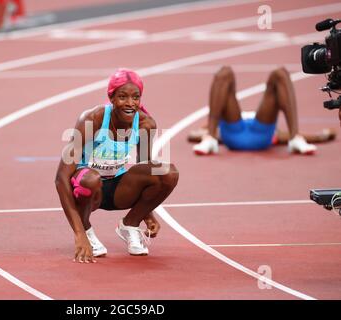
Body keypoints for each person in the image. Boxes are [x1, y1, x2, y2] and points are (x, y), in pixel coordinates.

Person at [55, 69, 179, 264]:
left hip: (118, 189)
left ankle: (130, 224)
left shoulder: (146, 124)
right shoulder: (92, 119)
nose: (130, 103)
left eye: (135, 97)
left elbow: (144, 167)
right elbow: (61, 177)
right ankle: (87, 230)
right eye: (122, 97)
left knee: (167, 173)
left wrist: (147, 213)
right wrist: (78, 233)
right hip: (86, 189)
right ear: (111, 97)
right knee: (91, 178)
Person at [192, 66, 322, 155]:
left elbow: (282, 136)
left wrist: (319, 137)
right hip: (234, 133)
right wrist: (321, 136)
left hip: (260, 134)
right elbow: (193, 135)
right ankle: (209, 138)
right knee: (224, 72)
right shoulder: (224, 122)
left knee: (280, 73)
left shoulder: (274, 130)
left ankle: (295, 138)